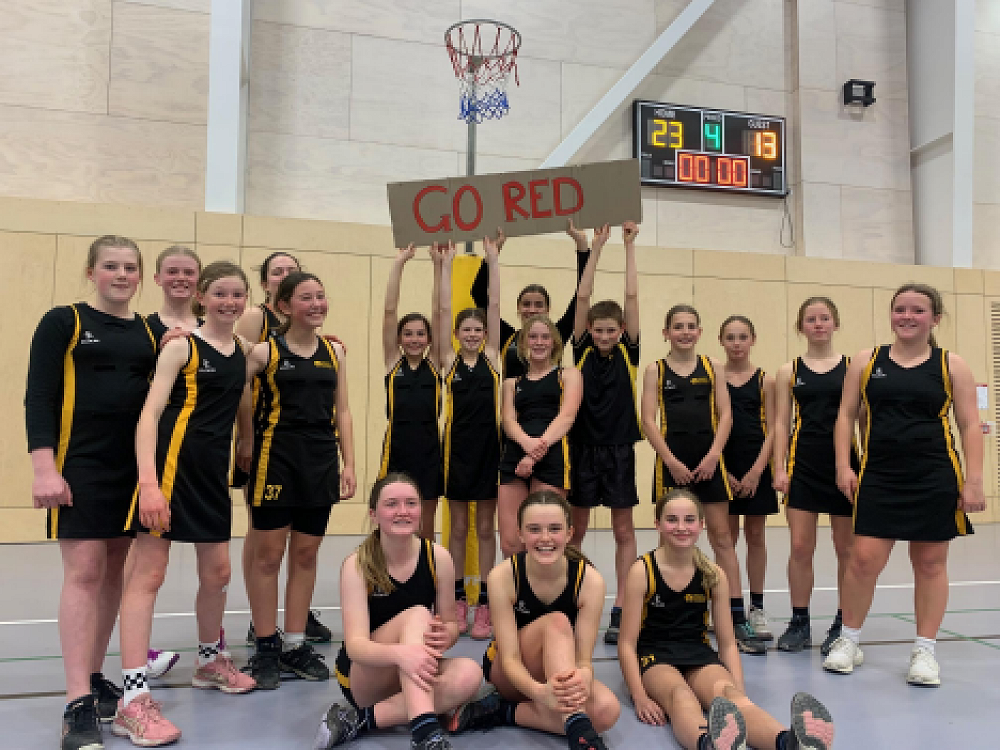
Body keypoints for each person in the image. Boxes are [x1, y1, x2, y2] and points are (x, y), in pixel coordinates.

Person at [114, 262, 257, 746]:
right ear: (201, 297)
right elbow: (150, 414)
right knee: (148, 575)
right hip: (170, 471)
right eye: (220, 294)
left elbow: (284, 338)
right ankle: (133, 696)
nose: (229, 302)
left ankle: (209, 662)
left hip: (211, 478)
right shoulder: (181, 346)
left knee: (218, 574)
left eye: (237, 295)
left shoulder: (244, 350)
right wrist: (149, 484)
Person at [26, 236, 157, 750]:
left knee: (113, 572)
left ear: (141, 275)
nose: (121, 275)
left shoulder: (151, 332)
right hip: (80, 467)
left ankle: (96, 676)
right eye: (110, 266)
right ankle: (77, 702)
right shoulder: (64, 322)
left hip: (132, 470)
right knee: (83, 573)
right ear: (91, 272)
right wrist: (44, 468)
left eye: (130, 267)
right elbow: (39, 395)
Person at [824, 283, 985, 686]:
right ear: (891, 314)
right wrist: (843, 465)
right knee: (863, 560)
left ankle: (925, 650)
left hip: (934, 475)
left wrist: (974, 480)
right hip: (879, 475)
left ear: (935, 318)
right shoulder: (866, 360)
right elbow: (845, 415)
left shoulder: (952, 365)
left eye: (917, 310)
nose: (907, 317)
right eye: (900, 309)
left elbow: (969, 424)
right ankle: (849, 640)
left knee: (930, 563)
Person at [618, 488, 835, 750]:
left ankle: (790, 742)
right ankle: (710, 744)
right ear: (658, 525)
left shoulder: (713, 574)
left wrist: (738, 688)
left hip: (698, 654)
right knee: (681, 696)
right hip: (656, 657)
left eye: (689, 520)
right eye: (672, 520)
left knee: (730, 696)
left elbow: (728, 643)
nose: (681, 527)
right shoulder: (642, 571)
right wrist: (639, 696)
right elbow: (626, 644)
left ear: (701, 524)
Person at [242, 272, 357, 689]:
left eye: (321, 296)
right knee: (268, 557)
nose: (316, 304)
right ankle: (266, 646)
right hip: (275, 460)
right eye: (306, 298)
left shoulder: (335, 351)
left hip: (320, 461)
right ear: (284, 306)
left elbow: (342, 411)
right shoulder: (263, 353)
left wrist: (349, 463)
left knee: (306, 554)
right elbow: (236, 393)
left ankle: (294, 644)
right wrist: (245, 440)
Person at [313, 473, 482, 750]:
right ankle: (426, 734)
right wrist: (401, 655)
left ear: (422, 511)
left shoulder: (438, 558)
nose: (403, 511)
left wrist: (445, 636)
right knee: (417, 615)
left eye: (411, 503)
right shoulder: (357, 565)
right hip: (365, 675)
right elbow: (356, 647)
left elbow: (451, 625)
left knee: (470, 673)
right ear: (374, 515)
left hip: (412, 670)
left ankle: (359, 720)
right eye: (392, 504)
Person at [448, 491, 621, 750]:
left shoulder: (590, 581)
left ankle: (504, 712)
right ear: (520, 534)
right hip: (509, 673)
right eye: (534, 529)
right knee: (557, 623)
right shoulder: (503, 577)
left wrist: (584, 677)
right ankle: (580, 733)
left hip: (559, 670)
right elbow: (509, 659)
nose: (545, 538)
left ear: (570, 533)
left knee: (607, 711)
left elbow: (583, 660)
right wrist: (540, 694)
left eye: (554, 529)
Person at [641, 305, 764, 654]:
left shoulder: (713, 367)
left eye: (690, 326)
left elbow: (725, 415)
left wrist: (713, 456)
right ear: (666, 332)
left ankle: (736, 617)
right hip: (672, 464)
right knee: (671, 539)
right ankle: (669, 615)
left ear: (699, 332)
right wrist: (671, 461)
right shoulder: (655, 370)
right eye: (678, 326)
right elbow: (648, 420)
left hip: (710, 463)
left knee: (722, 538)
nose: (684, 332)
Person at [237, 252, 333, 646]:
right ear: (268, 286)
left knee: (303, 548)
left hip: (314, 453)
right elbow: (234, 366)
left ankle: (295, 626)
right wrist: (244, 437)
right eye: (277, 271)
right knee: (265, 543)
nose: (285, 275)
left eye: (291, 270)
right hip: (269, 447)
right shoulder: (255, 323)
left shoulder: (320, 341)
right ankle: (260, 626)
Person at [566, 221, 641, 646]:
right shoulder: (580, 348)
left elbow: (631, 297)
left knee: (624, 531)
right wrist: (596, 247)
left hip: (619, 450)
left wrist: (628, 248)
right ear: (590, 331)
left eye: (612, 330)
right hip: (581, 449)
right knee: (576, 530)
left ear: (621, 331)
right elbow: (583, 297)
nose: (606, 335)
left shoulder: (630, 351)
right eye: (600, 330)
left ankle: (622, 608)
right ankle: (574, 599)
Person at [772, 297, 857, 655]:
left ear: (836, 323)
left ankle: (843, 622)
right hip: (803, 464)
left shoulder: (853, 368)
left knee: (846, 548)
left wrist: (862, 466)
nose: (818, 324)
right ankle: (799, 622)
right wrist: (779, 467)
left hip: (844, 465)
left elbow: (861, 419)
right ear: (801, 327)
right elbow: (781, 422)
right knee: (800, 547)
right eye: (811, 319)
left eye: (824, 318)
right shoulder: (788, 371)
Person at [142, 244, 204, 680]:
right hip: (156, 456)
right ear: (158, 278)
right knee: (148, 564)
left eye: (189, 272)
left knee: (214, 566)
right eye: (172, 271)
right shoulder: (143, 330)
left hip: (203, 460)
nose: (181, 278)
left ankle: (212, 648)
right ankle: (140, 651)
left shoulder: (213, 329)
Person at [437, 237, 502, 639]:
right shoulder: (449, 360)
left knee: (486, 529)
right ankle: (459, 599)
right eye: (467, 329)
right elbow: (443, 309)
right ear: (457, 333)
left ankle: (487, 605)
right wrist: (445, 264)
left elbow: (494, 305)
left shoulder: (493, 358)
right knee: (458, 528)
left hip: (489, 452)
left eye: (478, 329)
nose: (473, 334)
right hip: (457, 452)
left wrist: (493, 258)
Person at [497, 317, 583, 558]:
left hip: (552, 455)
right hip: (515, 456)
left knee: (546, 538)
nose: (539, 342)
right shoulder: (511, 383)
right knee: (511, 543)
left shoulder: (569, 375)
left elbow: (566, 417)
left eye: (545, 337)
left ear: (554, 342)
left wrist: (534, 455)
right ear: (523, 343)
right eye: (533, 337)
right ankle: (516, 583)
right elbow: (508, 421)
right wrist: (526, 445)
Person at [720, 315, 780, 642]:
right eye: (730, 337)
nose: (737, 343)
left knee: (755, 535)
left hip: (756, 464)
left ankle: (757, 608)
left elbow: (773, 428)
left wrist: (758, 470)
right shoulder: (714, 377)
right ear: (721, 341)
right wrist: (723, 470)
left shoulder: (765, 381)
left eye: (743, 337)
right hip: (723, 466)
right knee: (725, 538)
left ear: (753, 339)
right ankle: (728, 608)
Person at [379, 244, 444, 539]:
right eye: (408, 333)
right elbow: (390, 310)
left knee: (424, 521)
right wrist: (399, 263)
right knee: (392, 516)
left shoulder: (435, 363)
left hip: (429, 450)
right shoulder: (393, 362)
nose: (414, 339)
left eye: (420, 334)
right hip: (397, 449)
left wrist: (438, 266)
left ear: (429, 339)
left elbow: (440, 312)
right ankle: (388, 562)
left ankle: (424, 564)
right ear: (399, 339)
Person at [469, 223, 591, 379]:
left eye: (539, 305)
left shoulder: (558, 334)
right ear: (518, 308)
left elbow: (580, 298)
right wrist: (493, 253)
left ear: (547, 309)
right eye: (526, 304)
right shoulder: (505, 336)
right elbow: (478, 293)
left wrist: (582, 246)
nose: (532, 310)